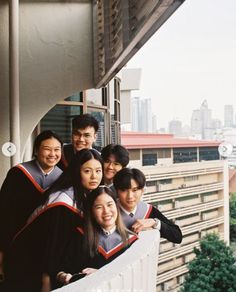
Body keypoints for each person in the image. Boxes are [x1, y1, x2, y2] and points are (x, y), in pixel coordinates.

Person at [3, 149, 103, 292]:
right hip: (30, 265)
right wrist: (46, 279)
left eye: (98, 171)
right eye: (87, 171)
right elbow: (52, 244)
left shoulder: (87, 194)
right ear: (76, 172)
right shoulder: (63, 201)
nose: (94, 176)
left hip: (54, 266)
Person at [0, 130, 63, 283]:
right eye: (47, 149)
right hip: (16, 246)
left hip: (45, 249)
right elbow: (4, 213)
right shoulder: (18, 174)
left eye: (57, 149)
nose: (52, 154)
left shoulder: (63, 178)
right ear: (36, 150)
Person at [55, 186, 138, 286]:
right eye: (99, 207)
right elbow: (60, 270)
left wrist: (100, 275)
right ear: (92, 212)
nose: (106, 211)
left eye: (110, 205)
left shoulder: (132, 241)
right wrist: (65, 277)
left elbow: (133, 279)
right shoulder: (79, 236)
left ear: (116, 206)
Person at [113, 168, 182, 244]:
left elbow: (177, 236)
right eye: (124, 190)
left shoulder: (147, 210)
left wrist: (154, 222)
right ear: (117, 191)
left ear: (142, 190)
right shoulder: (110, 211)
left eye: (135, 190)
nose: (130, 196)